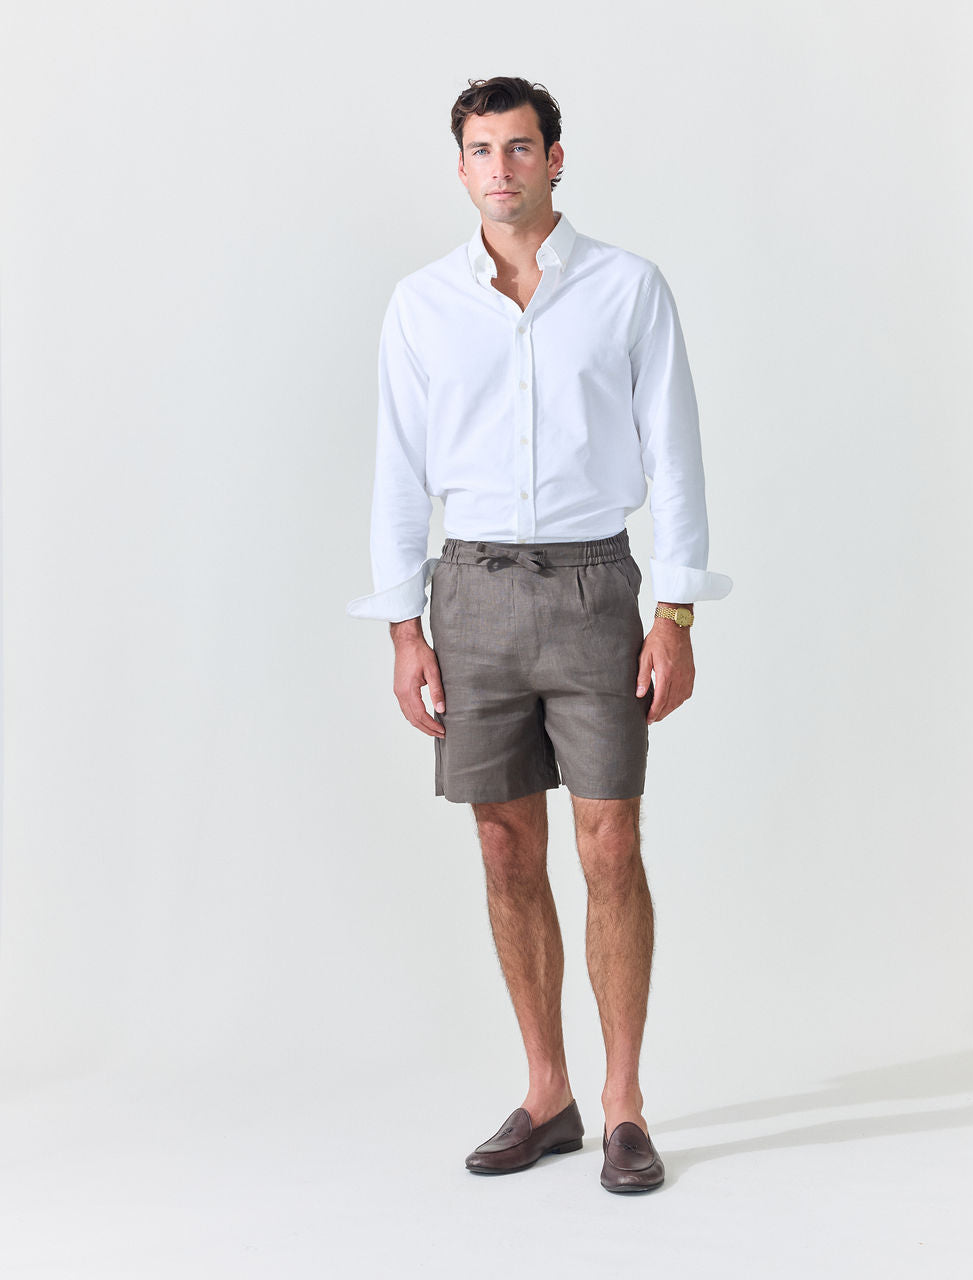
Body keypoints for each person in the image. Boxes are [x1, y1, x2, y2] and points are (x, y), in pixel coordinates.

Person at [347, 76, 732, 1194]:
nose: (501, 168)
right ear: (461, 166)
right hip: (468, 594)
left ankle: (624, 1106)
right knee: (504, 846)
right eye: (482, 150)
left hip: (594, 586)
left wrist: (675, 612)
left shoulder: (627, 288)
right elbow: (398, 471)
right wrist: (402, 628)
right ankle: (548, 1090)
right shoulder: (422, 304)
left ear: (556, 158)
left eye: (520, 147)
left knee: (609, 842)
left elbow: (675, 456)